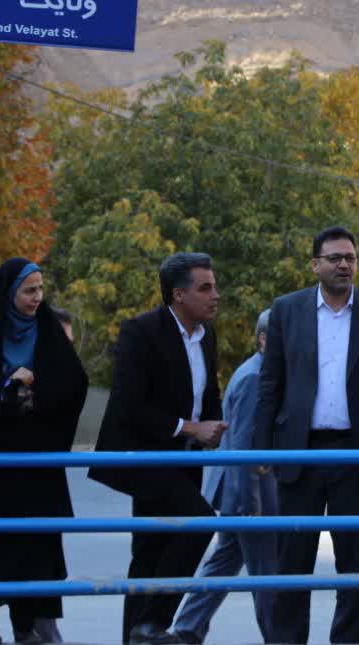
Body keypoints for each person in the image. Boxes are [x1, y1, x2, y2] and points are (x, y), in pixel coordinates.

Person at [252, 226, 359, 644]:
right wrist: (260, 449)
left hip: (357, 455)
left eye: (350, 258)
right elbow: (270, 385)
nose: (344, 265)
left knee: (355, 568)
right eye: (335, 258)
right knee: (292, 566)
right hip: (299, 454)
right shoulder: (287, 310)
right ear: (315, 264)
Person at [0, 259, 89, 644]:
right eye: (29, 290)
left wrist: (35, 398)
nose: (37, 297)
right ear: (9, 293)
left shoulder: (47, 333)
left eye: (40, 289)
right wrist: (4, 396)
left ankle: (25, 629)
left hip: (33, 467)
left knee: (31, 552)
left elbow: (73, 384)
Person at [90, 252, 227, 645]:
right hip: (145, 455)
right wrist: (191, 427)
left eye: (214, 286)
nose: (215, 295)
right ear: (178, 295)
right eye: (205, 288)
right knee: (199, 522)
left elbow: (206, 393)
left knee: (151, 549)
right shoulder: (141, 331)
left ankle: (138, 635)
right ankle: (151, 623)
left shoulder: (207, 335)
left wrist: (214, 426)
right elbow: (129, 405)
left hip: (185, 457)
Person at [171, 309, 279, 644]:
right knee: (267, 572)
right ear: (264, 339)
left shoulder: (258, 373)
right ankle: (278, 637)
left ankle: (187, 628)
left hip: (241, 492)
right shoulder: (255, 378)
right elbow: (243, 448)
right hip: (248, 494)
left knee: (225, 562)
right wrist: (252, 506)